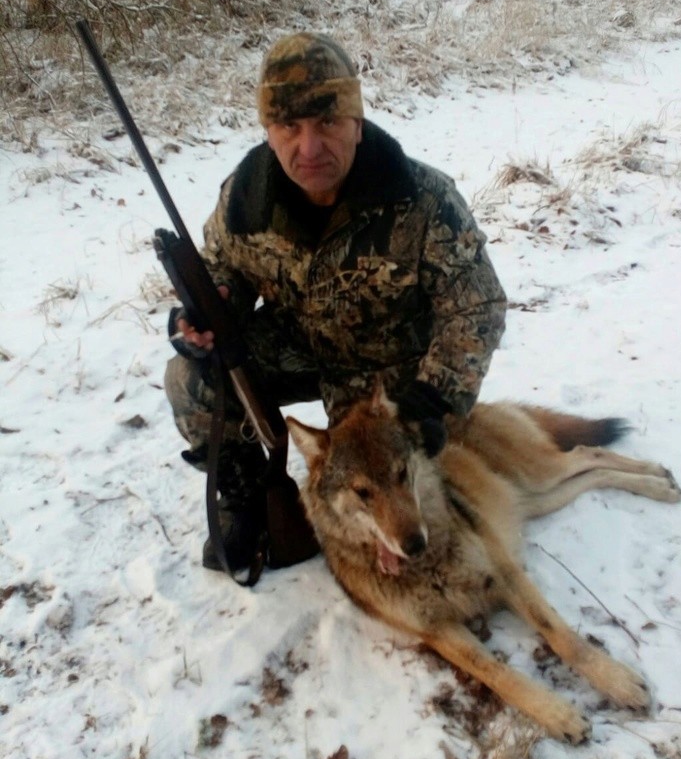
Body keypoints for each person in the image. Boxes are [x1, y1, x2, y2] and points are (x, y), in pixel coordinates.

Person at [165, 31, 507, 573]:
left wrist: (434, 399)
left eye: (327, 122)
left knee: (415, 517)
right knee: (191, 378)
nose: (309, 148)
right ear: (268, 130)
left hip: (388, 377)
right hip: (301, 348)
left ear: (357, 120)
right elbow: (221, 267)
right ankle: (248, 494)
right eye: (288, 126)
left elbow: (476, 307)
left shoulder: (421, 199)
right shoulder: (246, 195)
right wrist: (206, 311)